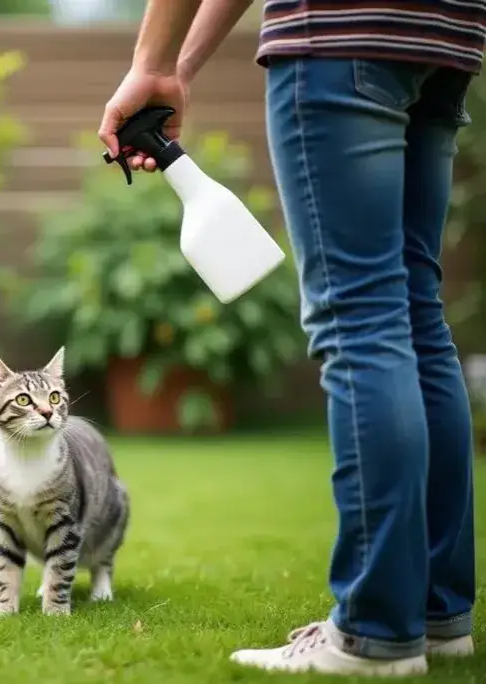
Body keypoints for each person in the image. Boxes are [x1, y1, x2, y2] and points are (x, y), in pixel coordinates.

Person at [98, 0, 483, 677]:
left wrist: (150, 64)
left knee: (360, 320)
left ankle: (374, 634)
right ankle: (436, 614)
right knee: (415, 313)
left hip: (337, 33)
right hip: (444, 33)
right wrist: (177, 68)